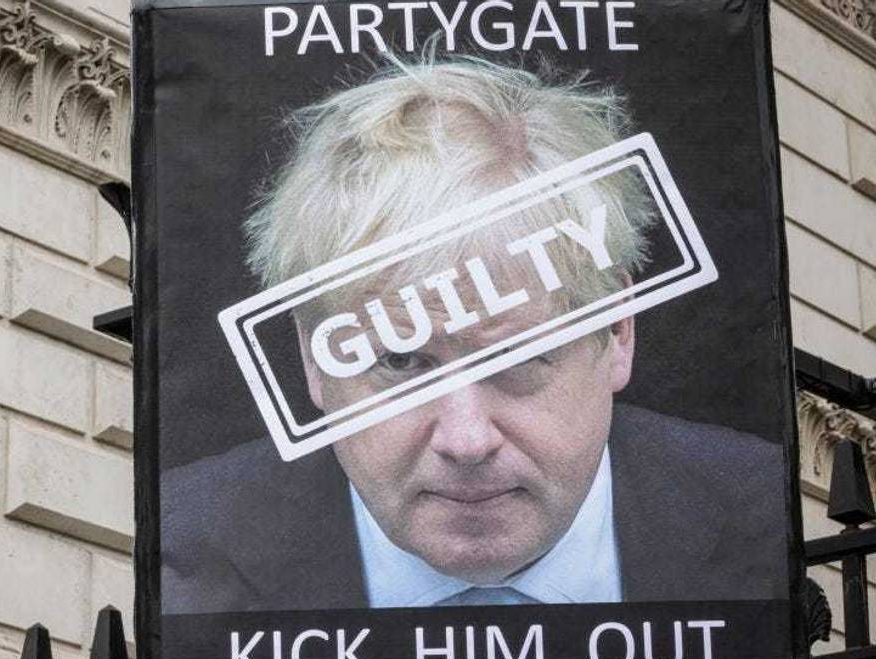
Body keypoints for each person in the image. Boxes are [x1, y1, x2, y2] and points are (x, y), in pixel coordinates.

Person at [162, 57, 785, 613]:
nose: (466, 441)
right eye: (402, 361)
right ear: (313, 360)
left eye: (516, 356)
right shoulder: (184, 544)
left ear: (618, 330)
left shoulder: (762, 513)